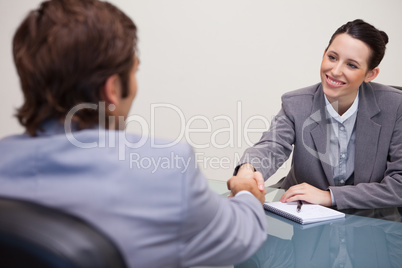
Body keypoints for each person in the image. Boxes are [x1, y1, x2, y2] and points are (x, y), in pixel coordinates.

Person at [0, 0, 267, 267]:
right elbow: (242, 236)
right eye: (134, 70)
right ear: (113, 89)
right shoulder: (165, 172)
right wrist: (246, 193)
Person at [234, 19, 402, 210]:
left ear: (370, 75)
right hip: (302, 218)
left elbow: (399, 184)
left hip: (369, 221)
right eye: (332, 57)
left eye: (352, 65)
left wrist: (330, 196)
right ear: (324, 53)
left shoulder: (395, 106)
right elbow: (271, 146)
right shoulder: (296, 103)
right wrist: (247, 170)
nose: (335, 71)